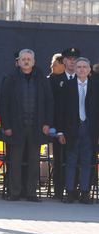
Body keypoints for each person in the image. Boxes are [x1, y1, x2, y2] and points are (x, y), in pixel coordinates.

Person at [0, 49, 54, 202]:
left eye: (29, 59)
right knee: (15, 162)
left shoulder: (42, 80)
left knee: (34, 161)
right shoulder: (11, 79)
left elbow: (49, 102)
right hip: (16, 128)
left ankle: (31, 192)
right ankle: (15, 192)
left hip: (37, 128)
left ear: (34, 61)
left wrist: (47, 123)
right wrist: (7, 126)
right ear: (19, 61)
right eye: (23, 59)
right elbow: (3, 105)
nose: (26, 61)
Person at [56, 57, 98, 204]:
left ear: (89, 70)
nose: (81, 69)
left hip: (89, 128)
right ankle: (70, 193)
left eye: (84, 67)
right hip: (71, 129)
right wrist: (60, 131)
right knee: (71, 161)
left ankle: (85, 193)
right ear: (75, 69)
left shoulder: (95, 86)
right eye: (79, 67)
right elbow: (60, 110)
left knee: (87, 161)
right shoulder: (67, 86)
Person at [49, 47, 80, 200]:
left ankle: (74, 190)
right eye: (69, 60)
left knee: (76, 160)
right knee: (59, 160)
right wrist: (54, 127)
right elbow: (51, 105)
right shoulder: (54, 80)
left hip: (78, 128)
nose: (72, 63)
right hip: (60, 127)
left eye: (75, 60)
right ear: (64, 61)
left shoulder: (83, 80)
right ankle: (59, 191)